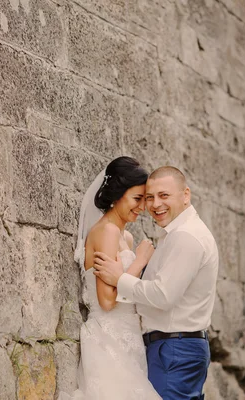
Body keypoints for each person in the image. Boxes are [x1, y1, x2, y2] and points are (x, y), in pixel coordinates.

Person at [93, 166, 219, 400]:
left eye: (164, 195)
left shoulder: (186, 237)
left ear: (186, 195)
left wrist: (119, 279)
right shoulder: (178, 233)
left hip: (174, 350)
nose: (154, 204)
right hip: (172, 348)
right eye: (149, 197)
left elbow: (163, 295)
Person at [59, 156, 161, 400]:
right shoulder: (106, 231)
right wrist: (139, 262)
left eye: (143, 200)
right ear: (117, 195)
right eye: (137, 198)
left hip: (130, 339)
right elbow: (106, 301)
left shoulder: (126, 238)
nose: (142, 207)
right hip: (108, 338)